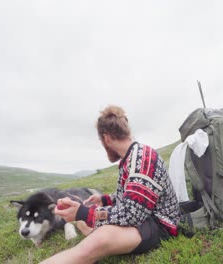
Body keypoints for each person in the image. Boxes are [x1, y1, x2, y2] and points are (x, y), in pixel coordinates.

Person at [41, 105, 180, 264]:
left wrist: (83, 213)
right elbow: (131, 196)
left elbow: (131, 215)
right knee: (84, 221)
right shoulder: (130, 157)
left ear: (106, 139)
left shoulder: (142, 159)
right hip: (143, 215)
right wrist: (105, 200)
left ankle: (93, 246)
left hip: (159, 223)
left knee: (99, 236)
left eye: (101, 142)